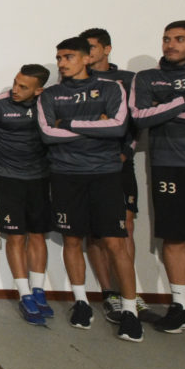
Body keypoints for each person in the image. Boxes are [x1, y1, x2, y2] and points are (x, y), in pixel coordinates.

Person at [37, 37, 142, 342]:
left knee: (115, 243)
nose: (61, 63)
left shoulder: (111, 88)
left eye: (68, 57)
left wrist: (68, 122)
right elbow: (48, 134)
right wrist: (97, 125)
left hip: (105, 175)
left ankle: (130, 311)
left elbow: (118, 127)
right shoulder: (50, 94)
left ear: (86, 58)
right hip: (65, 175)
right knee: (72, 240)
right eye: (59, 57)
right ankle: (81, 302)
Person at [130, 20, 185, 333]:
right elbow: (140, 117)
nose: (170, 44)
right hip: (167, 166)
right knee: (173, 236)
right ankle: (182, 307)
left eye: (180, 39)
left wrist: (165, 108)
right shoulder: (147, 77)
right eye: (167, 38)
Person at [0, 65, 54, 325]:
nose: (15, 89)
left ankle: (38, 290)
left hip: (39, 177)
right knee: (15, 236)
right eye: (15, 82)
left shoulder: (47, 104)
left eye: (23, 87)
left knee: (37, 235)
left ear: (39, 90)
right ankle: (24, 294)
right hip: (8, 178)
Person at [79, 27, 144, 318]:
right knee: (94, 231)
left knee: (125, 226)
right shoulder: (72, 81)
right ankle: (110, 293)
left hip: (119, 162)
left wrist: (126, 151)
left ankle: (131, 292)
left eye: (91, 47)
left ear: (107, 49)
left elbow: (135, 122)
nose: (86, 53)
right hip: (84, 164)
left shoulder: (128, 80)